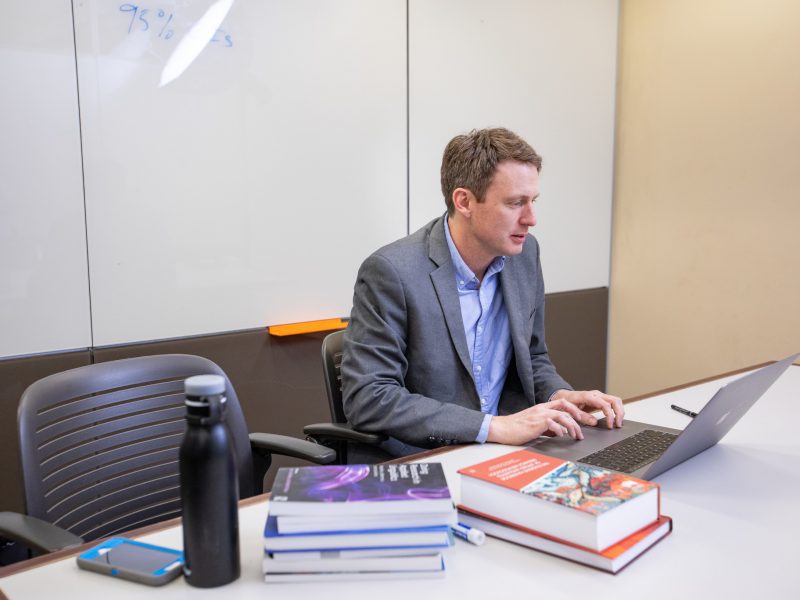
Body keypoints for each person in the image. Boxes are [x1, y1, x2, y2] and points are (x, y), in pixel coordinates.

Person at [341, 127, 623, 457]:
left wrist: (557, 394)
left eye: (533, 201)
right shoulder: (392, 272)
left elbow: (532, 358)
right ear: (464, 201)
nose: (531, 219)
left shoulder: (525, 255)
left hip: (505, 453)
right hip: (426, 458)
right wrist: (492, 427)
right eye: (516, 203)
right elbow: (369, 397)